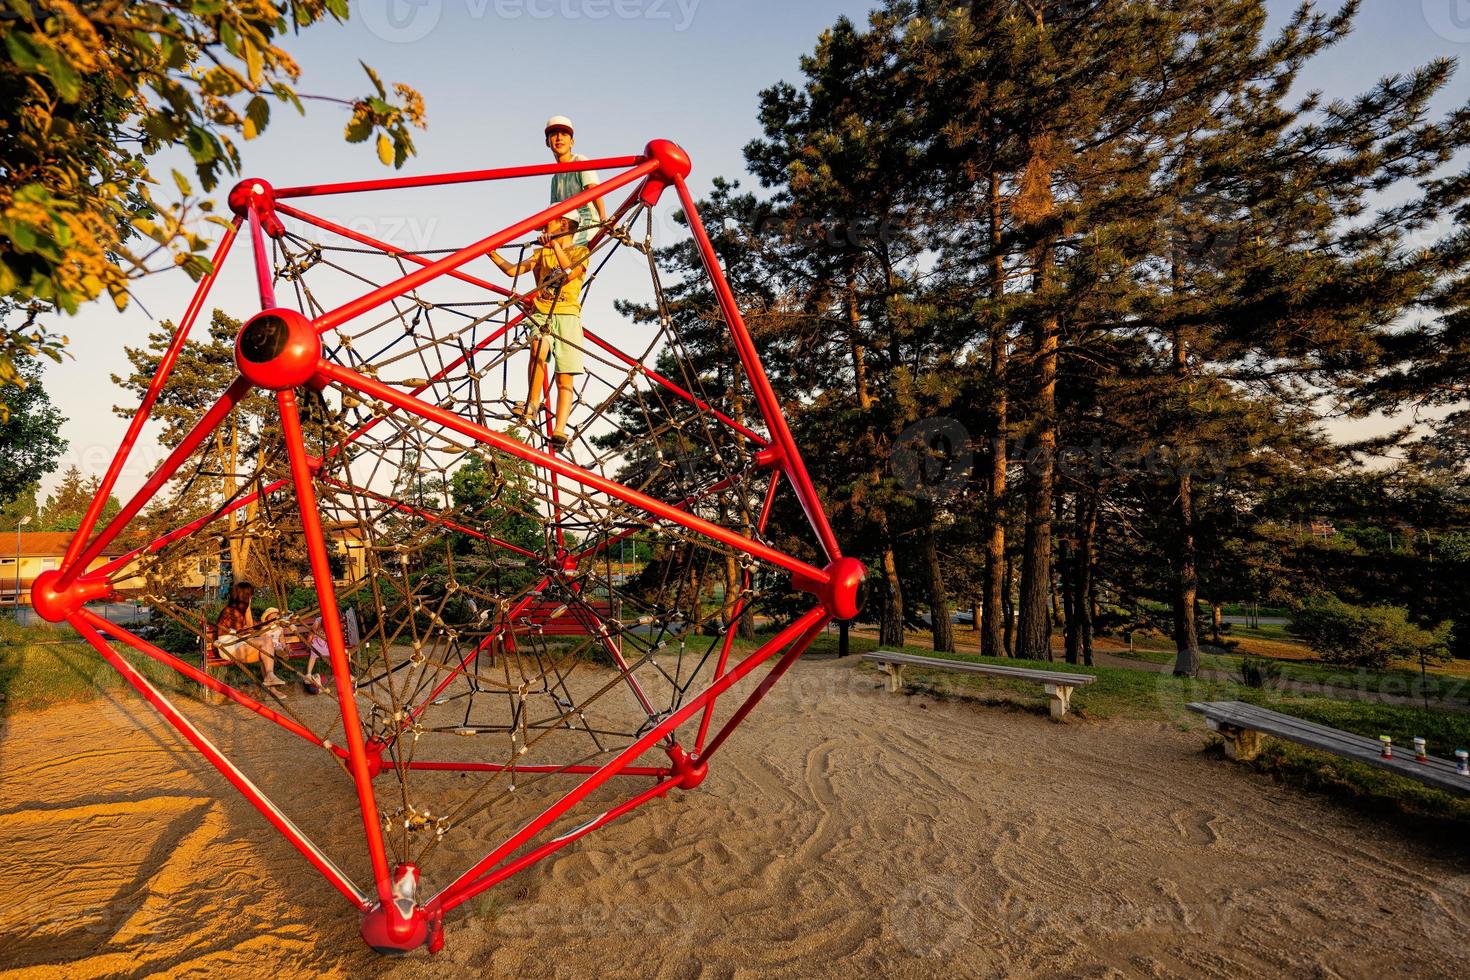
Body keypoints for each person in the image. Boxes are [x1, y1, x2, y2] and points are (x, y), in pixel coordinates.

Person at [490, 214, 589, 449]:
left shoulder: (580, 252)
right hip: (542, 313)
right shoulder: (541, 254)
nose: (543, 230)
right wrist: (493, 254)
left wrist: (554, 244)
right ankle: (532, 404)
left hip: (568, 317)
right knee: (537, 347)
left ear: (563, 224)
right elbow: (513, 271)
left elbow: (569, 273)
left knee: (565, 379)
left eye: (547, 224)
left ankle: (560, 429)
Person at [209, 582, 285, 688]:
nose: (252, 598)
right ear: (245, 596)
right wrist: (248, 608)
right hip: (229, 646)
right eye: (250, 595)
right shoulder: (230, 611)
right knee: (266, 646)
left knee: (266, 645)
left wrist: (273, 622)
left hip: (240, 643)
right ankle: (270, 678)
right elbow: (249, 629)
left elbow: (251, 627)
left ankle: (270, 677)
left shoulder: (239, 612)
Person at [545, 116, 604, 247]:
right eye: (554, 134)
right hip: (566, 228)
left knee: (562, 256)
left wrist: (604, 218)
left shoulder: (579, 161)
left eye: (564, 134)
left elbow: (593, 190)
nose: (559, 138)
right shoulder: (555, 178)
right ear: (547, 142)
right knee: (545, 254)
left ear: (572, 142)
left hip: (586, 224)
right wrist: (547, 232)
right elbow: (554, 211)